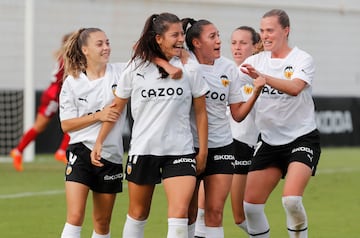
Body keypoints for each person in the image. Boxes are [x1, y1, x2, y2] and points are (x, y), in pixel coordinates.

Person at [91, 12, 209, 238]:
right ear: (159, 38)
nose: (180, 39)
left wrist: (202, 151)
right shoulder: (135, 68)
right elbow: (116, 107)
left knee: (179, 215)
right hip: (144, 150)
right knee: (138, 213)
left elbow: (201, 112)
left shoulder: (190, 68)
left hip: (180, 151)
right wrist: (99, 141)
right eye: (174, 35)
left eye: (181, 34)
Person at [180, 18, 265, 238]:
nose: (219, 41)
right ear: (197, 43)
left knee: (215, 212)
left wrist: (255, 92)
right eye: (213, 37)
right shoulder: (185, 64)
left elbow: (237, 114)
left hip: (222, 147)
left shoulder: (228, 67)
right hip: (189, 147)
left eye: (219, 35)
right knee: (187, 214)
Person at [240, 9, 321, 238]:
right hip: (269, 142)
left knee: (292, 200)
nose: (264, 35)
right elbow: (229, 84)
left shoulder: (302, 59)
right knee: (251, 208)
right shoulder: (254, 62)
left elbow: (295, 88)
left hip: (301, 138)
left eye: (270, 30)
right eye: (262, 30)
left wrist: (262, 79)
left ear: (286, 31)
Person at [59, 28, 127, 238]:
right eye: (100, 44)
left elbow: (145, 57)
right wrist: (98, 115)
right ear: (85, 49)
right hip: (81, 152)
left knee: (102, 222)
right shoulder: (72, 82)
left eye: (107, 42)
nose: (106, 48)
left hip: (111, 156)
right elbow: (67, 125)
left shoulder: (122, 72)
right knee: (75, 215)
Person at [10, 33, 72, 171]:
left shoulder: (64, 57)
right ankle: (60, 151)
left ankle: (19, 150)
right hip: (54, 96)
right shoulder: (67, 59)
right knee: (44, 125)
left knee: (69, 121)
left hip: (54, 94)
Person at [228, 26, 263, 235]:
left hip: (243, 146)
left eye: (243, 43)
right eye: (233, 43)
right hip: (219, 145)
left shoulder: (259, 75)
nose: (237, 48)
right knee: (202, 211)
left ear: (254, 46)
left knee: (239, 216)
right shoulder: (226, 71)